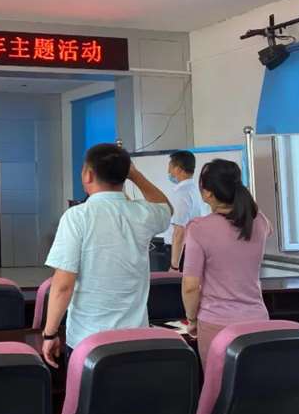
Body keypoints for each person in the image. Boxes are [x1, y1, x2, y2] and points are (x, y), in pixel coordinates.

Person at [41, 143, 173, 367]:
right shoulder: (143, 213)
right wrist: (136, 176)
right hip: (136, 336)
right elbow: (166, 207)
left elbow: (63, 285)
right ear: (125, 175)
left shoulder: (77, 217)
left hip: (88, 340)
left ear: (88, 174)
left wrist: (49, 333)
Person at [181, 159, 270, 367]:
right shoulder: (260, 221)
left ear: (207, 193)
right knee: (257, 384)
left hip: (217, 324)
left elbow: (190, 286)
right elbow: (258, 222)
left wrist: (192, 320)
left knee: (219, 385)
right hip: (258, 321)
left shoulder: (198, 228)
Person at [158, 150, 206, 271]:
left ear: (178, 169)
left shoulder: (182, 193)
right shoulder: (194, 189)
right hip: (188, 248)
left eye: (170, 168)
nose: (168, 172)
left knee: (175, 282)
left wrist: (174, 266)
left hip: (179, 252)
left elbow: (179, 231)